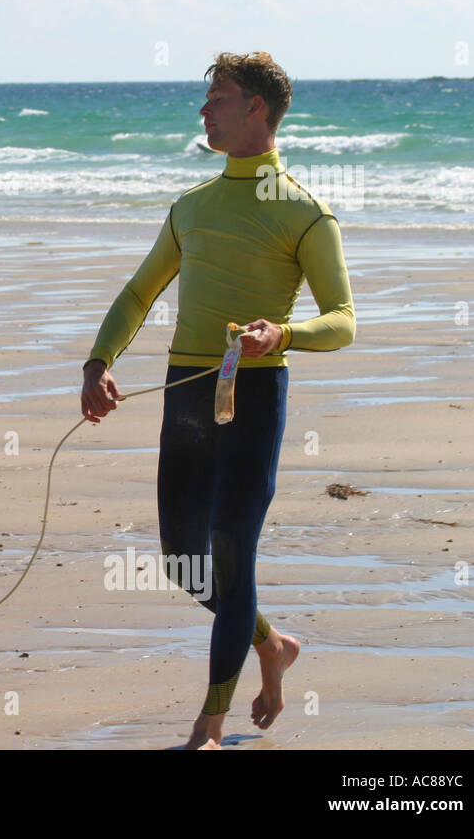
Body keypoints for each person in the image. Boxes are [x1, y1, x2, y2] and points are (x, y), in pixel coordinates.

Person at [80, 53, 355, 749]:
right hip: (187, 392)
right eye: (207, 100)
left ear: (257, 108)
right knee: (183, 560)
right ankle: (270, 644)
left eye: (220, 99)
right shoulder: (192, 206)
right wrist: (98, 363)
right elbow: (139, 293)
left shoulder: (306, 212)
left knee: (231, 555)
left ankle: (209, 725)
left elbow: (344, 319)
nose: (205, 111)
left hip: (254, 395)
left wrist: (283, 333)